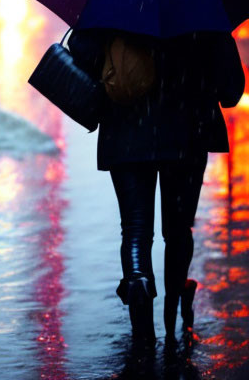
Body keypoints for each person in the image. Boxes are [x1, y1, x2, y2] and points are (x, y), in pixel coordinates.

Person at [67, 28, 245, 345]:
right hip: (187, 134)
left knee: (135, 230)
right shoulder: (202, 13)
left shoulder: (115, 7)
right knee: (178, 231)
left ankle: (140, 311)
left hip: (125, 133)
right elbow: (231, 92)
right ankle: (173, 314)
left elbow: (80, 52)